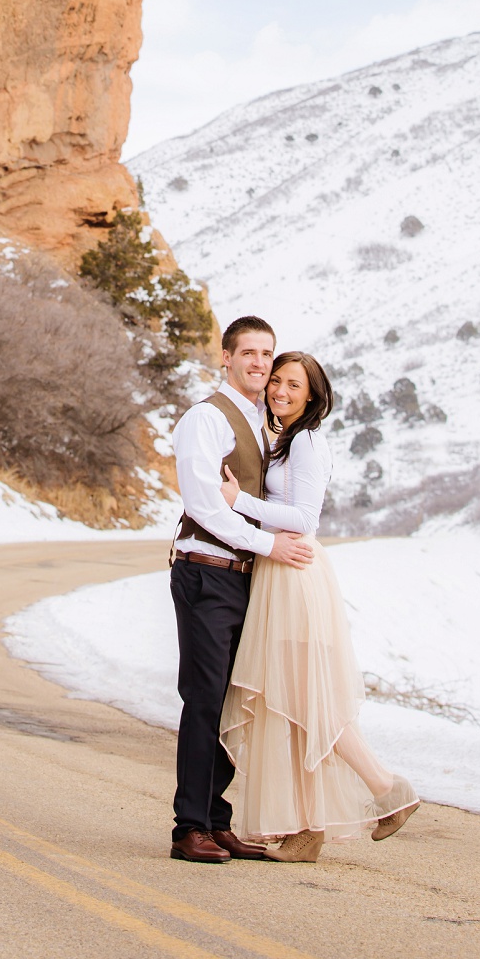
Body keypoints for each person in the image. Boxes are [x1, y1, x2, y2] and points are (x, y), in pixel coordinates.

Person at [217, 350, 420, 861]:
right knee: (289, 701)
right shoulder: (283, 442)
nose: (280, 391)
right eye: (277, 382)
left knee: (304, 699)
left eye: (293, 385)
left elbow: (303, 517)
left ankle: (385, 787)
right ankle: (306, 829)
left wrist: (236, 500)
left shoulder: (305, 441)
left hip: (296, 573)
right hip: (278, 572)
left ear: (313, 396)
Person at [168, 315, 315, 864]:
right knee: (204, 698)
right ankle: (189, 827)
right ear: (225, 358)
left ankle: (217, 818)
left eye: (266, 354)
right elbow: (206, 504)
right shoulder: (206, 419)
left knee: (232, 697)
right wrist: (270, 545)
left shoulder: (263, 421)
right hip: (206, 570)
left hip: (245, 577)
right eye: (247, 352)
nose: (258, 363)